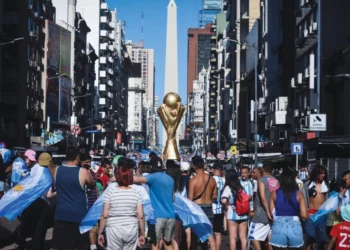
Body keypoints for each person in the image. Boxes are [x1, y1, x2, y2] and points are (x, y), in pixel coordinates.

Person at [51, 146, 95, 250]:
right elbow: (92, 185)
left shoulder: (56, 170)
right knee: (80, 246)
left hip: (61, 215)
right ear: (78, 158)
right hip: (78, 216)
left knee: (62, 246)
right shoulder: (83, 172)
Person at [134, 156, 176, 250]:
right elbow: (173, 197)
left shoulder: (153, 177)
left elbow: (136, 179)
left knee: (155, 243)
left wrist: (118, 177)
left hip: (158, 216)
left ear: (151, 167)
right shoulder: (170, 179)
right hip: (171, 215)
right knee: (168, 243)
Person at [98, 166, 145, 250]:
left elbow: (105, 215)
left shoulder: (110, 192)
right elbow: (140, 215)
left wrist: (100, 232)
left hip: (113, 227)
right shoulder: (136, 193)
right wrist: (142, 233)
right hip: (131, 227)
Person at [269, 168, 308, 249]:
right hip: (294, 225)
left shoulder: (274, 193)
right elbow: (304, 215)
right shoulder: (299, 194)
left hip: (278, 224)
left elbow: (272, 213)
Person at [188, 156, 217, 250]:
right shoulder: (212, 179)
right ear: (203, 165)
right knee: (210, 235)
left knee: (194, 236)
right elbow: (215, 196)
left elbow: (190, 199)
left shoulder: (193, 180)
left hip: (197, 208)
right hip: (208, 207)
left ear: (193, 166)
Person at [249, 162, 279, 250]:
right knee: (270, 237)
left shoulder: (261, 180)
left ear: (263, 170)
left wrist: (267, 211)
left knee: (253, 236)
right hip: (274, 212)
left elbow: (262, 198)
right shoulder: (276, 180)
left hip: (261, 212)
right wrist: (272, 211)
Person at [221, 170, 252, 250]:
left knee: (232, 238)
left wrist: (226, 206)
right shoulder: (241, 186)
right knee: (243, 237)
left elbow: (224, 200)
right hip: (244, 214)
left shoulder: (228, 187)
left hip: (232, 215)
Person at [301, 165, 329, 250]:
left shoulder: (326, 185)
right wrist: (305, 211)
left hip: (322, 215)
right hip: (311, 214)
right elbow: (302, 198)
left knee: (321, 239)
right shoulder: (308, 185)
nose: (323, 175)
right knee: (310, 239)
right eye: (321, 173)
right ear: (316, 174)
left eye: (324, 173)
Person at [212, 161, 225, 250]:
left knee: (210, 232)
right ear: (220, 170)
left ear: (213, 170)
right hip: (220, 209)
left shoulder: (210, 179)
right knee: (218, 232)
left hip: (211, 208)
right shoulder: (224, 180)